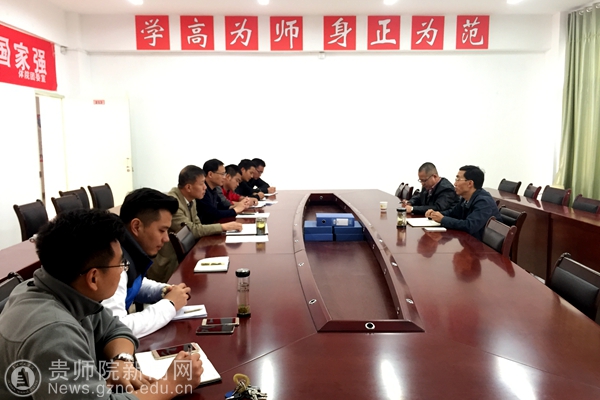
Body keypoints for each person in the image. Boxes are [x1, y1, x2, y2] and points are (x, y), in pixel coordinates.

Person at [0, 209, 202, 400]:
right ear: (93, 278)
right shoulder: (53, 333)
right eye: (121, 264)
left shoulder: (65, 289)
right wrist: (171, 384)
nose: (123, 271)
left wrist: (122, 361)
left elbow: (115, 328)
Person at [102, 188, 192, 338]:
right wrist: (169, 305)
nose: (166, 239)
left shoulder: (127, 247)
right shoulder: (114, 262)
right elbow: (116, 328)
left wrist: (162, 290)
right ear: (136, 227)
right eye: (162, 230)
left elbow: (133, 284)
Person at [148, 165, 242, 283]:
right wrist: (223, 227)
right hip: (169, 263)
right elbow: (192, 229)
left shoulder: (191, 199)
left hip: (185, 255)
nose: (205, 187)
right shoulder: (173, 203)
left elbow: (197, 224)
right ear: (188, 187)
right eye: (202, 184)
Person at [426, 165, 502, 241]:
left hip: (481, 245)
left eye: (458, 179)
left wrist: (443, 219)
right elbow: (453, 213)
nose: (455, 184)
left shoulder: (483, 202)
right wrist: (435, 214)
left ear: (470, 183)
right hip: (469, 241)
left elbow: (470, 225)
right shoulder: (465, 198)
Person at [197, 159, 249, 224]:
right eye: (222, 174)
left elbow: (222, 206)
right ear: (210, 174)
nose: (224, 177)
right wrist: (235, 210)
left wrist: (240, 206)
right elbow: (213, 214)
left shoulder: (214, 189)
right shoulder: (202, 190)